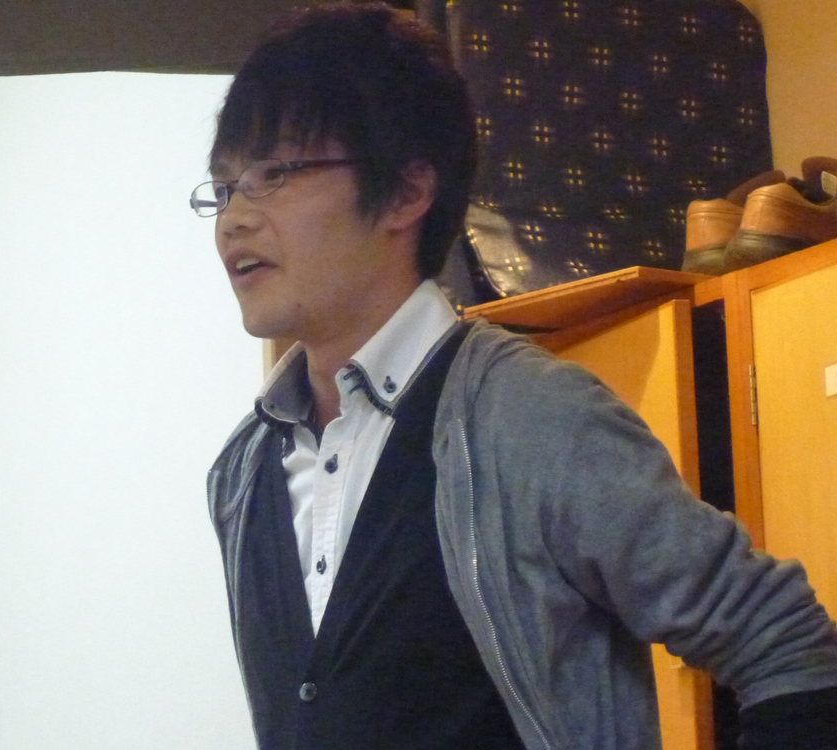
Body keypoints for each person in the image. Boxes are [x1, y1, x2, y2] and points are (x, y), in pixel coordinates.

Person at [196, 4, 837, 749]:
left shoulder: (532, 417)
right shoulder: (241, 470)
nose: (233, 220)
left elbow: (787, 645)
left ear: (405, 191)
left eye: (273, 173)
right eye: (223, 188)